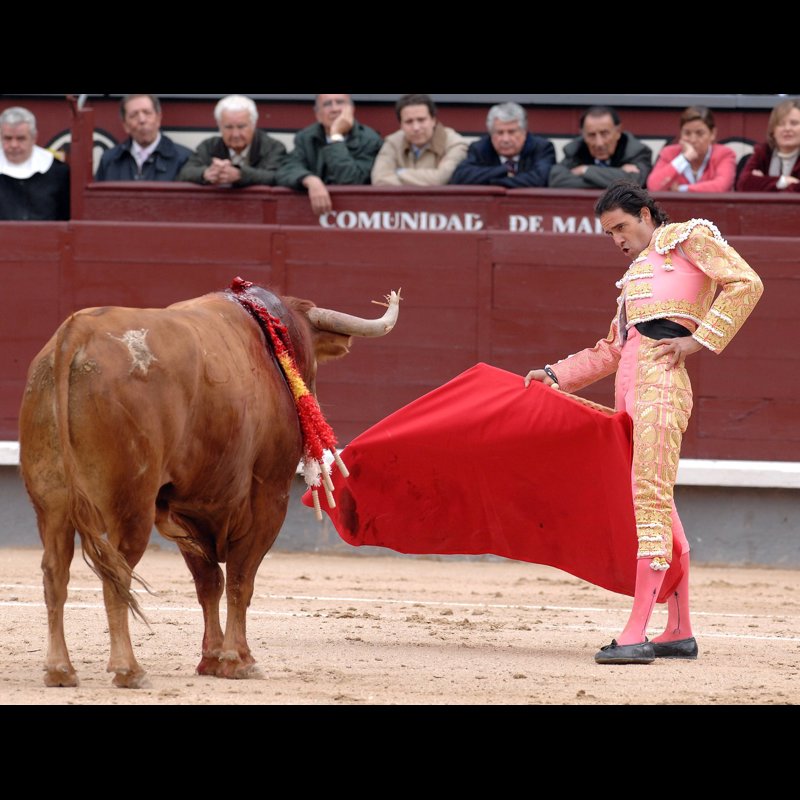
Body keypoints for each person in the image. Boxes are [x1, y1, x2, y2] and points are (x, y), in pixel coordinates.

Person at [524, 180, 763, 664]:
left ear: (646, 213)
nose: (617, 239)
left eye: (621, 227)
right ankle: (678, 629)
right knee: (659, 503)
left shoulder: (687, 238)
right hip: (629, 391)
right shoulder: (636, 276)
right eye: (609, 233)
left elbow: (746, 282)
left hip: (662, 385)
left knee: (649, 500)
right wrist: (554, 376)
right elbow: (612, 349)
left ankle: (636, 633)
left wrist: (699, 342)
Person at [275, 94, 382, 214]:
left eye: (340, 102)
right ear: (318, 114)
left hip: (356, 215)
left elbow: (350, 181)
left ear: (352, 109)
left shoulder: (370, 140)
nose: (334, 109)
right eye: (327, 104)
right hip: (314, 215)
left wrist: (335, 136)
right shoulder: (306, 137)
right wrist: (310, 180)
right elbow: (286, 168)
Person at [177, 95, 286, 187]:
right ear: (219, 127)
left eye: (241, 127)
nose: (235, 134)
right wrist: (206, 173)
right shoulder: (208, 146)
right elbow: (185, 173)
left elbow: (276, 177)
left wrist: (240, 175)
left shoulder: (273, 147)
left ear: (253, 125)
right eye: (228, 127)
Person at [449, 101, 554, 188]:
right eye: (499, 132)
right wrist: (504, 170)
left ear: (524, 132)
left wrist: (493, 181)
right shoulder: (479, 148)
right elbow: (460, 177)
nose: (505, 139)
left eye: (511, 132)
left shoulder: (542, 148)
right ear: (490, 133)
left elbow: (541, 180)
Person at [371, 94, 467, 186]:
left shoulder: (455, 144)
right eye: (409, 122)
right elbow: (379, 179)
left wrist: (399, 172)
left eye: (421, 120)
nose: (416, 127)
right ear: (401, 125)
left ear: (433, 120)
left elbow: (440, 179)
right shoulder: (393, 142)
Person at [548, 106, 652, 189]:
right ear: (583, 135)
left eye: (604, 133)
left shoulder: (637, 151)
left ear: (618, 132)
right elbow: (556, 180)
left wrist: (585, 170)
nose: (599, 143)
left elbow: (636, 182)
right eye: (592, 135)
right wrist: (617, 176)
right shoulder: (576, 151)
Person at [94, 94, 192, 181]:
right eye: (134, 115)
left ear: (158, 118)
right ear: (125, 125)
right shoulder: (109, 160)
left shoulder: (184, 159)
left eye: (147, 113)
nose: (142, 120)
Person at [0, 105, 70, 220]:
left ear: (34, 138)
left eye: (21, 138)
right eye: (8, 138)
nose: (14, 145)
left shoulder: (58, 172)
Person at [647, 106, 736, 193]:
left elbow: (721, 187)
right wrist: (684, 158)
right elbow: (654, 186)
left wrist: (682, 189)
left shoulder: (724, 154)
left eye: (699, 133)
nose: (692, 140)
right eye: (687, 133)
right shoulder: (669, 153)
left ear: (712, 134)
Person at [736, 98, 800, 193]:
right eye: (781, 124)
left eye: (794, 123)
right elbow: (743, 184)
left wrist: (762, 182)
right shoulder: (763, 153)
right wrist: (782, 181)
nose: (787, 129)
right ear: (773, 130)